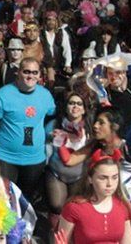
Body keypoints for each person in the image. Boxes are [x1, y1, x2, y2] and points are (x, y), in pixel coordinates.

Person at [0, 57, 55, 202]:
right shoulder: (2, 95)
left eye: (35, 72)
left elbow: (52, 118)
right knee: (3, 200)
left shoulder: (45, 95)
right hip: (5, 157)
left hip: (34, 159)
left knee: (26, 201)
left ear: (39, 75)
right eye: (26, 72)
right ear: (18, 72)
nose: (30, 76)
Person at [55, 148, 131, 243]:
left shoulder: (123, 206)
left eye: (114, 177)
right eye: (103, 178)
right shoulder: (74, 208)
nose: (110, 183)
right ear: (90, 179)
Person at [44, 92, 90, 232]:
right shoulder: (53, 125)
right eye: (71, 103)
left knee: (74, 209)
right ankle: (56, 236)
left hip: (79, 175)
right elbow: (45, 148)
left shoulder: (90, 128)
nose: (75, 107)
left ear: (84, 109)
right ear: (66, 107)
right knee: (57, 205)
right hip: (57, 172)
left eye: (79, 104)